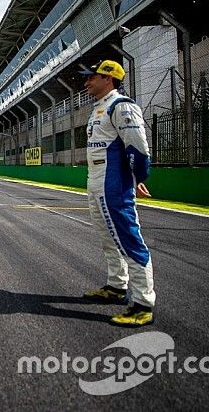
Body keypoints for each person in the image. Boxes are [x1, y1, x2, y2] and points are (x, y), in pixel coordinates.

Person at [80, 60, 156, 327]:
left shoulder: (121, 106)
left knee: (129, 240)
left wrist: (138, 177)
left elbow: (138, 148)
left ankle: (143, 304)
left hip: (112, 183)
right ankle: (116, 286)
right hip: (96, 180)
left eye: (92, 77)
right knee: (108, 239)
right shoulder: (99, 108)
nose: (87, 82)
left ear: (108, 78)